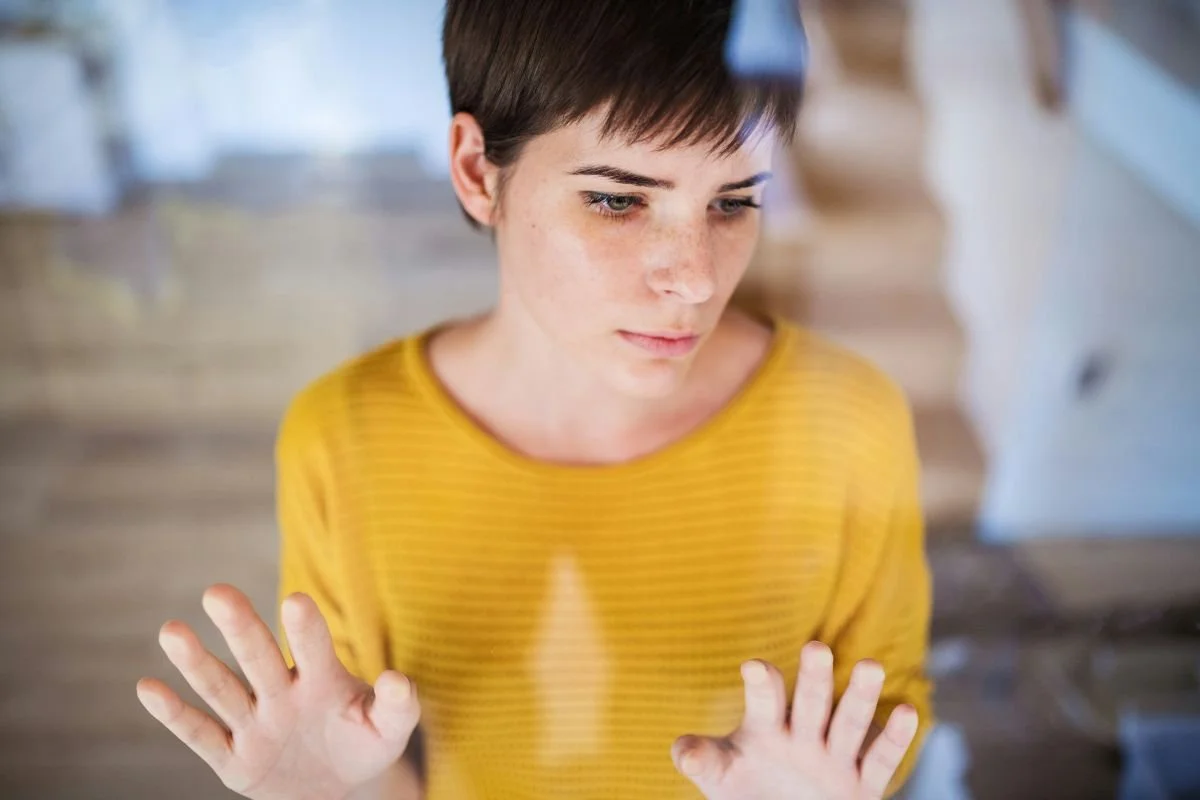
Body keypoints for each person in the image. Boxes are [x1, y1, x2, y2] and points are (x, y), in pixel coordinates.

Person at [135, 1, 934, 797]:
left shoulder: (852, 421)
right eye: (619, 200)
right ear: (478, 172)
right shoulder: (345, 437)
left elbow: (882, 730)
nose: (695, 278)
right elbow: (369, 754)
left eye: (733, 201)